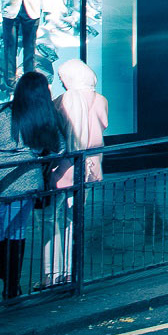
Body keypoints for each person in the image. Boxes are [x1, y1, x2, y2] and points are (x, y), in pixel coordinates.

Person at [0, 71, 67, 300]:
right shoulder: (45, 116)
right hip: (25, 181)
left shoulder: (4, 112)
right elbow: (60, 148)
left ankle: (5, 277)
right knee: (16, 232)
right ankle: (11, 285)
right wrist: (37, 155)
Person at [44, 56, 107, 289]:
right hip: (90, 166)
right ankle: (72, 271)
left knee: (51, 219)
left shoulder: (61, 101)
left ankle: (52, 271)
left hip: (64, 166)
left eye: (62, 78)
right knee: (75, 219)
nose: (62, 82)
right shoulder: (101, 100)